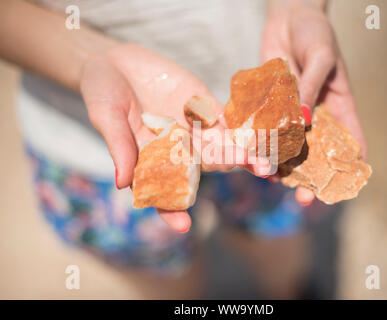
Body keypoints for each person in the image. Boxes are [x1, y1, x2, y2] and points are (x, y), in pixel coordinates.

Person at [0, 0, 366, 298]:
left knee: (277, 243)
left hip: (262, 116)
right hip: (90, 144)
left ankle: (290, 291)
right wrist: (87, 59)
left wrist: (299, 8)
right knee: (164, 280)